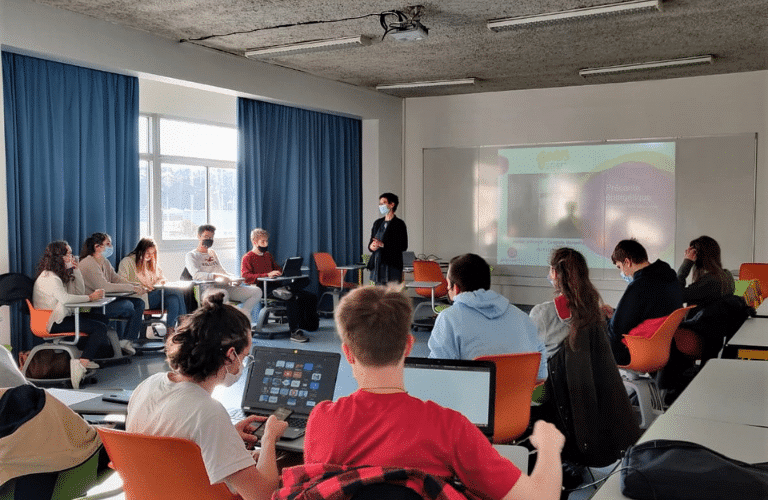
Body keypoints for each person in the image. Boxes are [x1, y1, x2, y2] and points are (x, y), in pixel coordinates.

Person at [304, 285, 564, 500]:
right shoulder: (450, 426)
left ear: (347, 353)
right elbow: (539, 497)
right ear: (408, 346)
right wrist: (549, 446)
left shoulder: (321, 419)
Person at [126, 292, 287, 500]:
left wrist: (228, 437)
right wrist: (268, 438)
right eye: (245, 356)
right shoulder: (208, 412)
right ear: (230, 355)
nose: (243, 365)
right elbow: (263, 495)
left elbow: (170, 451)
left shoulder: (147, 385)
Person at [530, 248, 641, 469]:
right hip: (587, 411)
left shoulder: (542, 314)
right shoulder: (595, 312)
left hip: (553, 402)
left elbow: (530, 359)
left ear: (554, 273)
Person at [427, 253, 547, 381]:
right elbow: (541, 375)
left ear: (455, 289)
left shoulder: (448, 319)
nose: (446, 288)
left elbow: (437, 374)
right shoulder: (523, 317)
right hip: (518, 400)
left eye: (448, 284)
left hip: (470, 399)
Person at [33, 240, 110, 388]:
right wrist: (91, 298)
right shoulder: (49, 277)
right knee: (99, 328)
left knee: (102, 319)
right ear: (58, 257)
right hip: (53, 322)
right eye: (67, 254)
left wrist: (76, 270)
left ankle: (84, 355)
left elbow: (78, 292)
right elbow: (66, 299)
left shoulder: (60, 275)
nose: (72, 257)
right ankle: (81, 365)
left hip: (61, 317)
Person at [605, 239, 683, 366]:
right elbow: (647, 314)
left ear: (627, 262)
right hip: (662, 347)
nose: (623, 273)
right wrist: (615, 313)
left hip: (636, 351)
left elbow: (616, 330)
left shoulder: (639, 286)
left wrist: (605, 320)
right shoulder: (669, 276)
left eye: (620, 267)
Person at [79, 232, 145, 355]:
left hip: (104, 302)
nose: (111, 247)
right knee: (127, 305)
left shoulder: (104, 262)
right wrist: (132, 288)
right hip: (91, 307)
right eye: (108, 244)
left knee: (139, 303)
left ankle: (127, 340)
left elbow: (116, 279)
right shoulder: (88, 263)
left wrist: (135, 286)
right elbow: (105, 287)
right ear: (97, 247)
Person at [241, 228, 311, 343]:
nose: (266, 244)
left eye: (266, 241)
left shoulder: (268, 255)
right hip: (261, 289)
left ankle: (287, 288)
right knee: (290, 297)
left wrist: (284, 270)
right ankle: (294, 332)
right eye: (263, 242)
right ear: (255, 242)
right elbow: (246, 276)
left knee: (305, 280)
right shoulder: (247, 257)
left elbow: (277, 268)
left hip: (276, 286)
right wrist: (267, 274)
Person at [185, 225, 262, 323]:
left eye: (211, 237)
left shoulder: (212, 253)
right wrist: (214, 276)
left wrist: (233, 279)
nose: (209, 239)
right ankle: (226, 324)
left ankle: (243, 315)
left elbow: (222, 271)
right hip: (206, 290)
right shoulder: (191, 255)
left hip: (224, 286)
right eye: (206, 236)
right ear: (199, 236)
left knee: (256, 291)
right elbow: (196, 275)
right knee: (222, 294)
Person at [118, 237, 187, 335]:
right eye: (148, 253)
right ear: (140, 250)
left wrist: (158, 283)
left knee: (173, 299)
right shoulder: (127, 262)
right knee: (177, 290)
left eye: (152, 253)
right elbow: (121, 281)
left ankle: (170, 331)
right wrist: (141, 286)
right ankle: (183, 322)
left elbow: (162, 278)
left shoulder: (151, 263)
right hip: (140, 297)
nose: (150, 256)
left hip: (154, 296)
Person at [677, 235, 735, 307]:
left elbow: (675, 296)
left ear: (697, 257)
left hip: (701, 318)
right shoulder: (727, 275)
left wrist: (686, 263)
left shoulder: (709, 282)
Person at [366, 192, 408, 285]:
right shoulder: (377, 223)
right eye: (380, 204)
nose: (380, 206)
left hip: (392, 265)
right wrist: (372, 247)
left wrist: (383, 245)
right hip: (377, 263)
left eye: (383, 203)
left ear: (392, 204)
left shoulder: (399, 224)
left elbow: (403, 246)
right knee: (378, 294)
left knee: (391, 294)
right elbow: (371, 243)